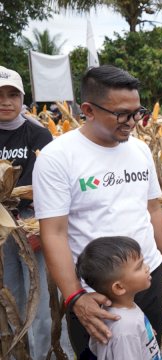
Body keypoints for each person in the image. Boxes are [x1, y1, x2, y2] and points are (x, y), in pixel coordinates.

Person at [33, 65, 162, 359]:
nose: (132, 123)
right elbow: (53, 233)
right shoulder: (57, 157)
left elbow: (153, 210)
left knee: (150, 350)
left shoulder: (140, 150)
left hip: (145, 275)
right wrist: (76, 297)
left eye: (137, 112)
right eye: (122, 114)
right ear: (88, 109)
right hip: (98, 292)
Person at [0, 65, 73, 359]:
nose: (5, 101)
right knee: (10, 296)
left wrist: (39, 225)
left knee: (41, 298)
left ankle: (50, 353)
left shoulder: (38, 135)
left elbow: (52, 184)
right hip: (1, 229)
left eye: (12, 95)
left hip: (32, 223)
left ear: (22, 97)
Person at [76, 236, 162, 360]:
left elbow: (95, 347)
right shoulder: (125, 330)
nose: (147, 267)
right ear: (119, 287)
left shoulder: (113, 310)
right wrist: (132, 335)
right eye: (139, 267)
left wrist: (144, 333)